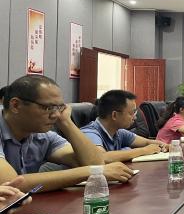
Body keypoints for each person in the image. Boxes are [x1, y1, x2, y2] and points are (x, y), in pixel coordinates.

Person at [0, 76, 134, 192]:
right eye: (48, 107)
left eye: (59, 108)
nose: (56, 115)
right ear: (15, 106)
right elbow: (11, 184)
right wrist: (91, 172)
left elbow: (95, 162)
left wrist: (66, 122)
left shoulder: (43, 135)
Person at [81, 90, 169, 163]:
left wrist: (165, 146)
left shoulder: (118, 132)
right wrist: (144, 150)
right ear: (114, 115)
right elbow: (102, 157)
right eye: (132, 113)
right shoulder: (90, 133)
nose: (135, 117)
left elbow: (147, 142)